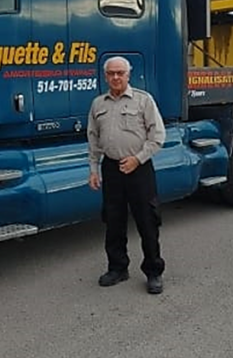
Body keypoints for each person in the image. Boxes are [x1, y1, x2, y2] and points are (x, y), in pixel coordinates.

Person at [87, 56, 166, 294]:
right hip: (112, 169)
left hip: (138, 168)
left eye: (120, 73)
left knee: (147, 221)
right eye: (111, 73)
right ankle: (118, 268)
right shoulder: (98, 104)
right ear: (105, 76)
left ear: (128, 75)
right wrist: (93, 169)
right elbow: (93, 139)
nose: (115, 77)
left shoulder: (143, 100)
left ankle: (153, 272)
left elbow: (158, 137)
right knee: (113, 221)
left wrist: (137, 159)